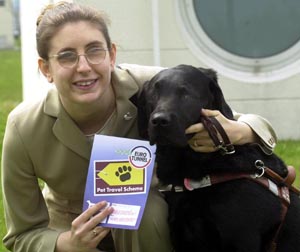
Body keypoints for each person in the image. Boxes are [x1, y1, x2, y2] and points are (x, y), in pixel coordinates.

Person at [1, 2, 277, 252]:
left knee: (147, 210)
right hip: (71, 233)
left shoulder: (154, 87)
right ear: (46, 68)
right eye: (66, 56)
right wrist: (65, 243)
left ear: (111, 55)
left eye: (94, 50)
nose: (83, 67)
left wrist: (238, 132)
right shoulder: (24, 127)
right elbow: (21, 235)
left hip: (147, 232)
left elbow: (248, 123)